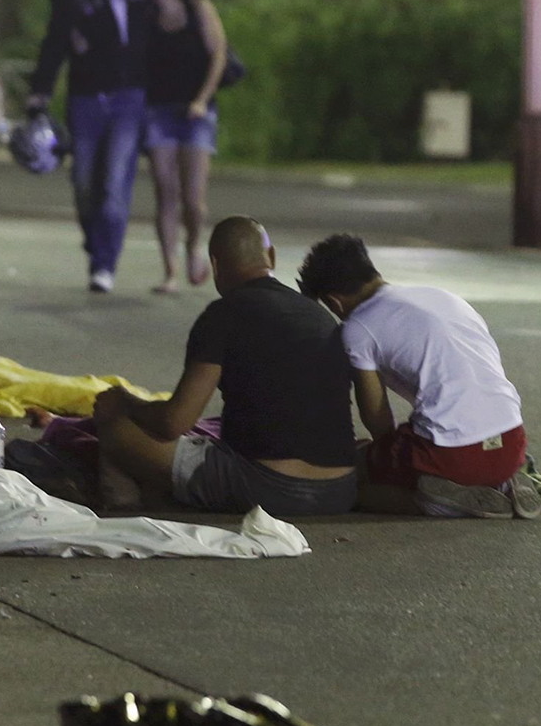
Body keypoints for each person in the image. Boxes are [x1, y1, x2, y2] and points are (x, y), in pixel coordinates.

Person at [91, 216, 361, 519]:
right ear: (270, 257)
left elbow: (174, 422)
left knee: (116, 424)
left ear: (215, 265)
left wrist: (125, 400)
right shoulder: (318, 314)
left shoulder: (223, 315)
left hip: (266, 490)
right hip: (341, 490)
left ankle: (123, 509)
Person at [294, 233, 541, 519]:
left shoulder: (358, 329)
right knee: (404, 451)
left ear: (334, 302)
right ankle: (502, 482)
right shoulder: (444, 297)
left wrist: (383, 459)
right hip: (511, 442)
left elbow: (377, 416)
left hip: (455, 455)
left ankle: (447, 503)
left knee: (349, 482)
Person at [28, 0, 151, 292]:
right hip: (86, 100)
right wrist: (40, 91)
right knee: (83, 181)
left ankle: (104, 264)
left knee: (115, 182)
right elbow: (55, 43)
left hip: (129, 100)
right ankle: (95, 237)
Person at [141, 0, 228, 293]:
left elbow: (218, 53)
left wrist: (201, 100)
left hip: (196, 113)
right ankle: (170, 271)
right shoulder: (146, 16)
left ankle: (193, 246)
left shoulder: (198, 9)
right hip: (158, 112)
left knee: (193, 199)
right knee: (165, 191)